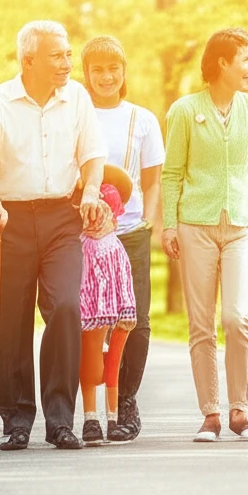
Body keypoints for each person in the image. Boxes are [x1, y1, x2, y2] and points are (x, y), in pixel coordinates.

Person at [0, 20, 106, 451]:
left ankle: (61, 419)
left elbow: (93, 158)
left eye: (68, 54)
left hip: (62, 217)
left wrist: (94, 192)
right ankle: (17, 419)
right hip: (8, 220)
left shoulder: (78, 98)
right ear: (28, 61)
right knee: (11, 319)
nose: (68, 62)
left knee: (65, 306)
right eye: (57, 56)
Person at [161, 27, 248, 442]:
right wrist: (170, 224)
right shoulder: (183, 111)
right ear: (221, 63)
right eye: (244, 59)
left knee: (237, 317)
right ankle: (211, 414)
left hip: (243, 227)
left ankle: (240, 411)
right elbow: (172, 173)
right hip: (195, 225)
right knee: (201, 324)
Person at [81, 35, 165, 442]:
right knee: (89, 321)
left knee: (134, 320)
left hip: (130, 233)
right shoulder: (77, 116)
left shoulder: (142, 120)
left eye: (113, 68)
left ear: (124, 72)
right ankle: (92, 408)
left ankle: (126, 402)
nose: (106, 77)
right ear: (87, 74)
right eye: (97, 69)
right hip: (85, 235)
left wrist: (148, 221)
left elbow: (152, 182)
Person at [78, 180, 136, 445]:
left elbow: (124, 278)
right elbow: (82, 282)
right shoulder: (83, 247)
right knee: (90, 365)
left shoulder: (115, 248)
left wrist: (127, 310)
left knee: (112, 366)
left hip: (118, 314)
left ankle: (112, 420)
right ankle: (91, 418)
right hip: (91, 316)